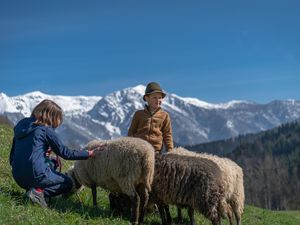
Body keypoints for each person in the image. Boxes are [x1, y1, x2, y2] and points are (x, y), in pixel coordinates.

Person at [9, 99, 103, 208]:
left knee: (53, 162)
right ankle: (39, 193)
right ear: (51, 117)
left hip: (18, 176)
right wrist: (89, 153)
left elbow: (12, 155)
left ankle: (33, 190)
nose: (56, 125)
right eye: (57, 120)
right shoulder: (45, 130)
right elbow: (65, 153)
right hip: (35, 175)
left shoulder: (20, 126)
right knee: (67, 183)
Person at [128, 81, 174, 153]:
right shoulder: (138, 114)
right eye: (154, 97)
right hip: (139, 150)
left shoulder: (165, 115)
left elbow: (167, 134)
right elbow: (131, 132)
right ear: (147, 98)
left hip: (156, 151)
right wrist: (130, 147)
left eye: (160, 98)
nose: (158, 100)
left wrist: (170, 150)